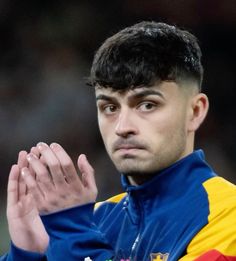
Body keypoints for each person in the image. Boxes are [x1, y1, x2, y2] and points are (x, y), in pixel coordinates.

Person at [1, 21, 236, 261]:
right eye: (109, 107)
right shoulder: (94, 219)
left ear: (195, 112)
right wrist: (27, 254)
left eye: (147, 104)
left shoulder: (228, 215)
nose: (122, 127)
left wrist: (71, 233)